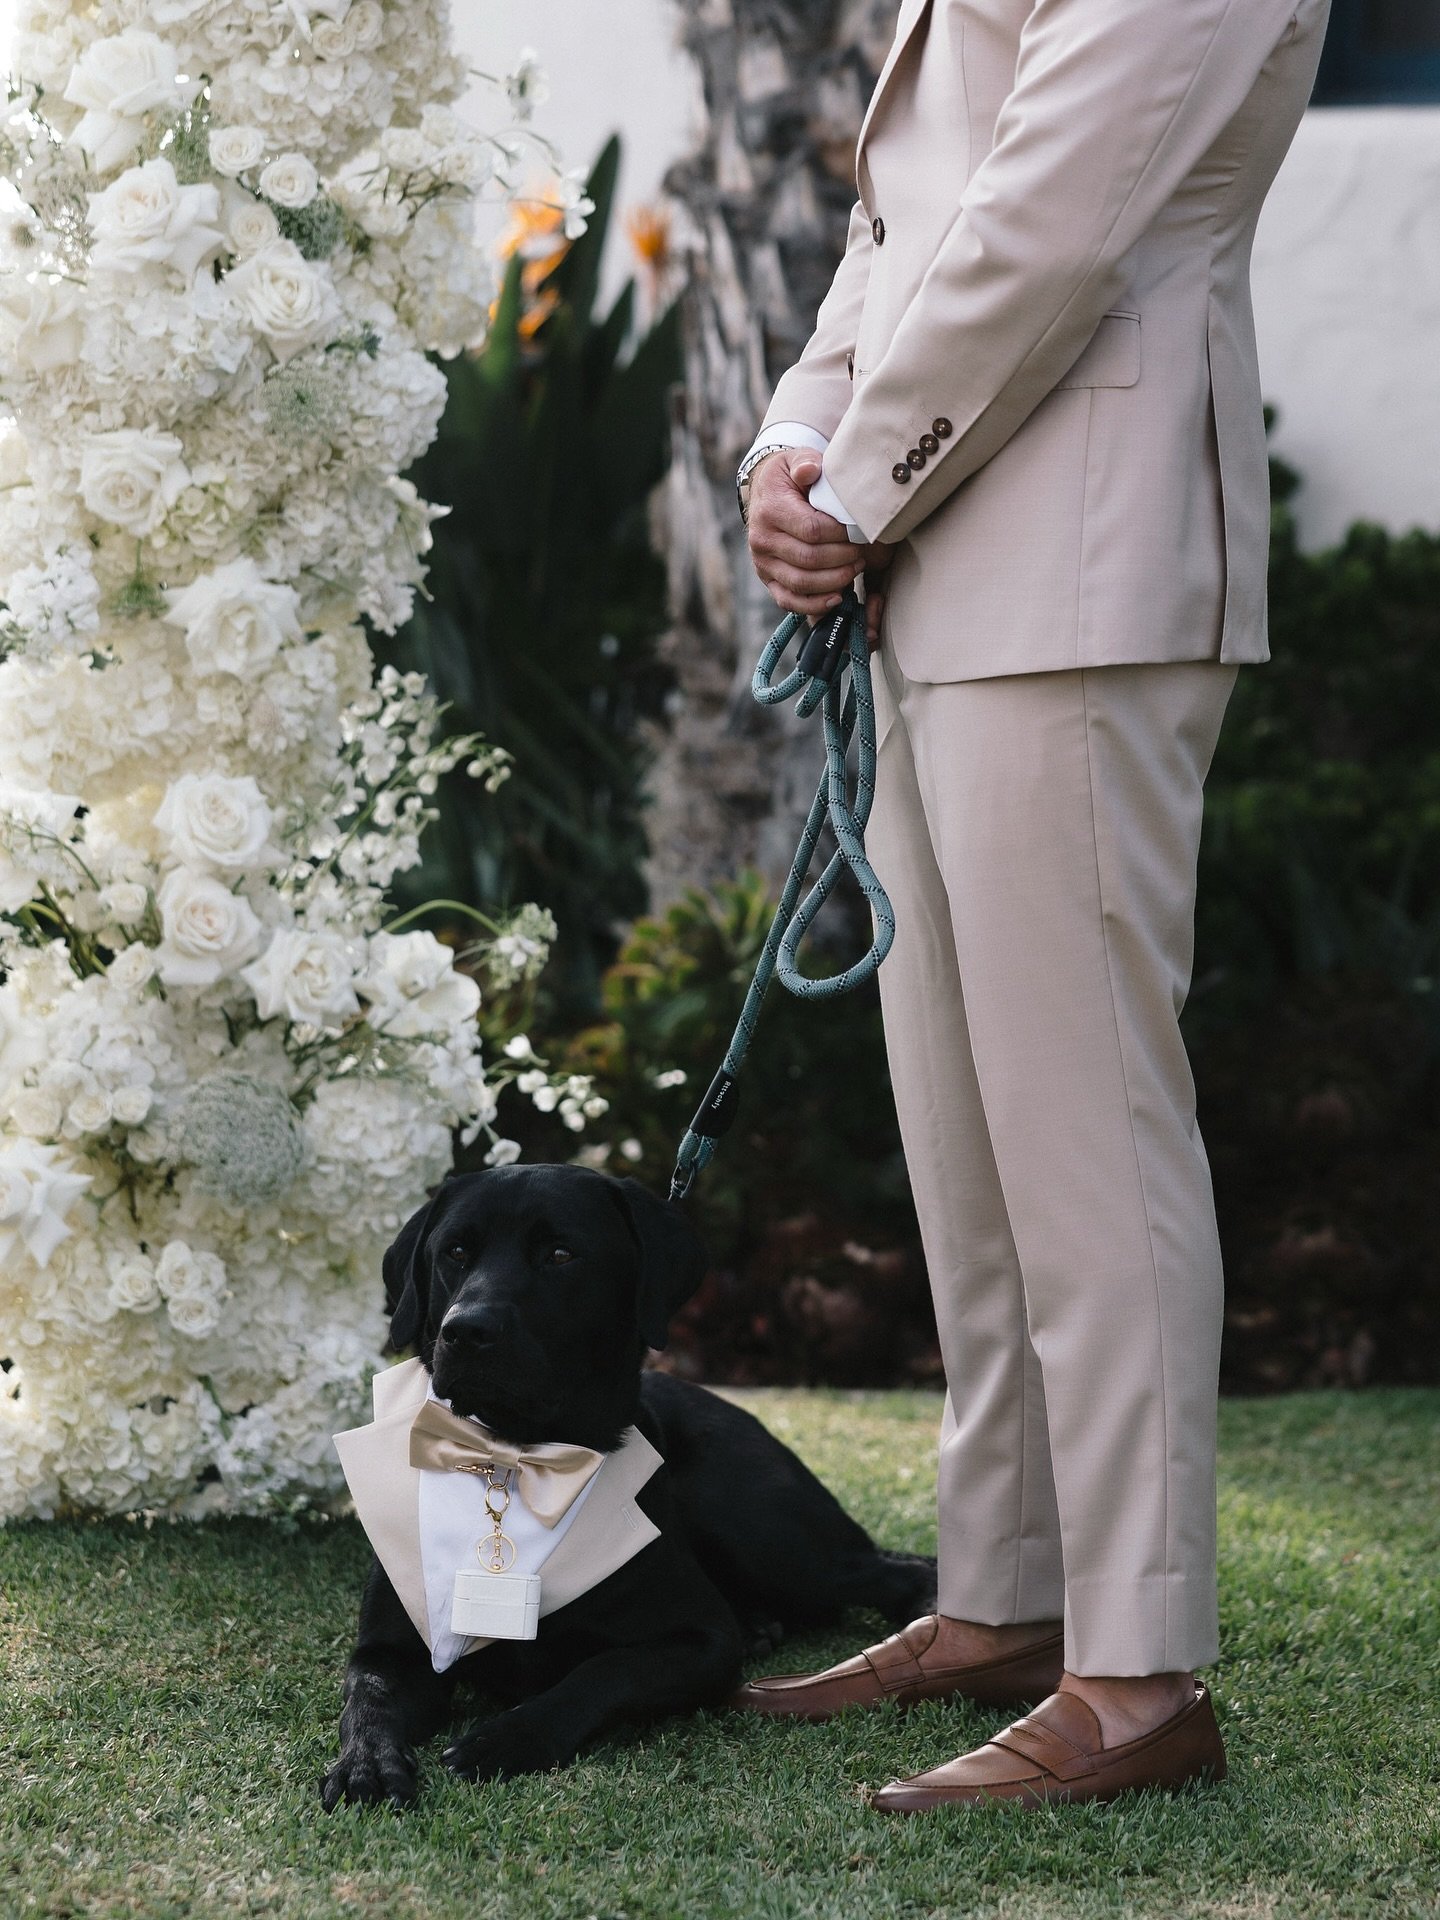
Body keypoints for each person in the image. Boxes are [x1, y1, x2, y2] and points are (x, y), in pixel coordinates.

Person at [728, 0, 1332, 1809]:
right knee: (971, 1145)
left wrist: (858, 479)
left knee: (1090, 1143)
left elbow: (1049, 223)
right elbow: (904, 212)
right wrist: (791, 442)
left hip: (1083, 553)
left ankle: (1140, 1677)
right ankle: (1000, 1596)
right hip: (934, 563)